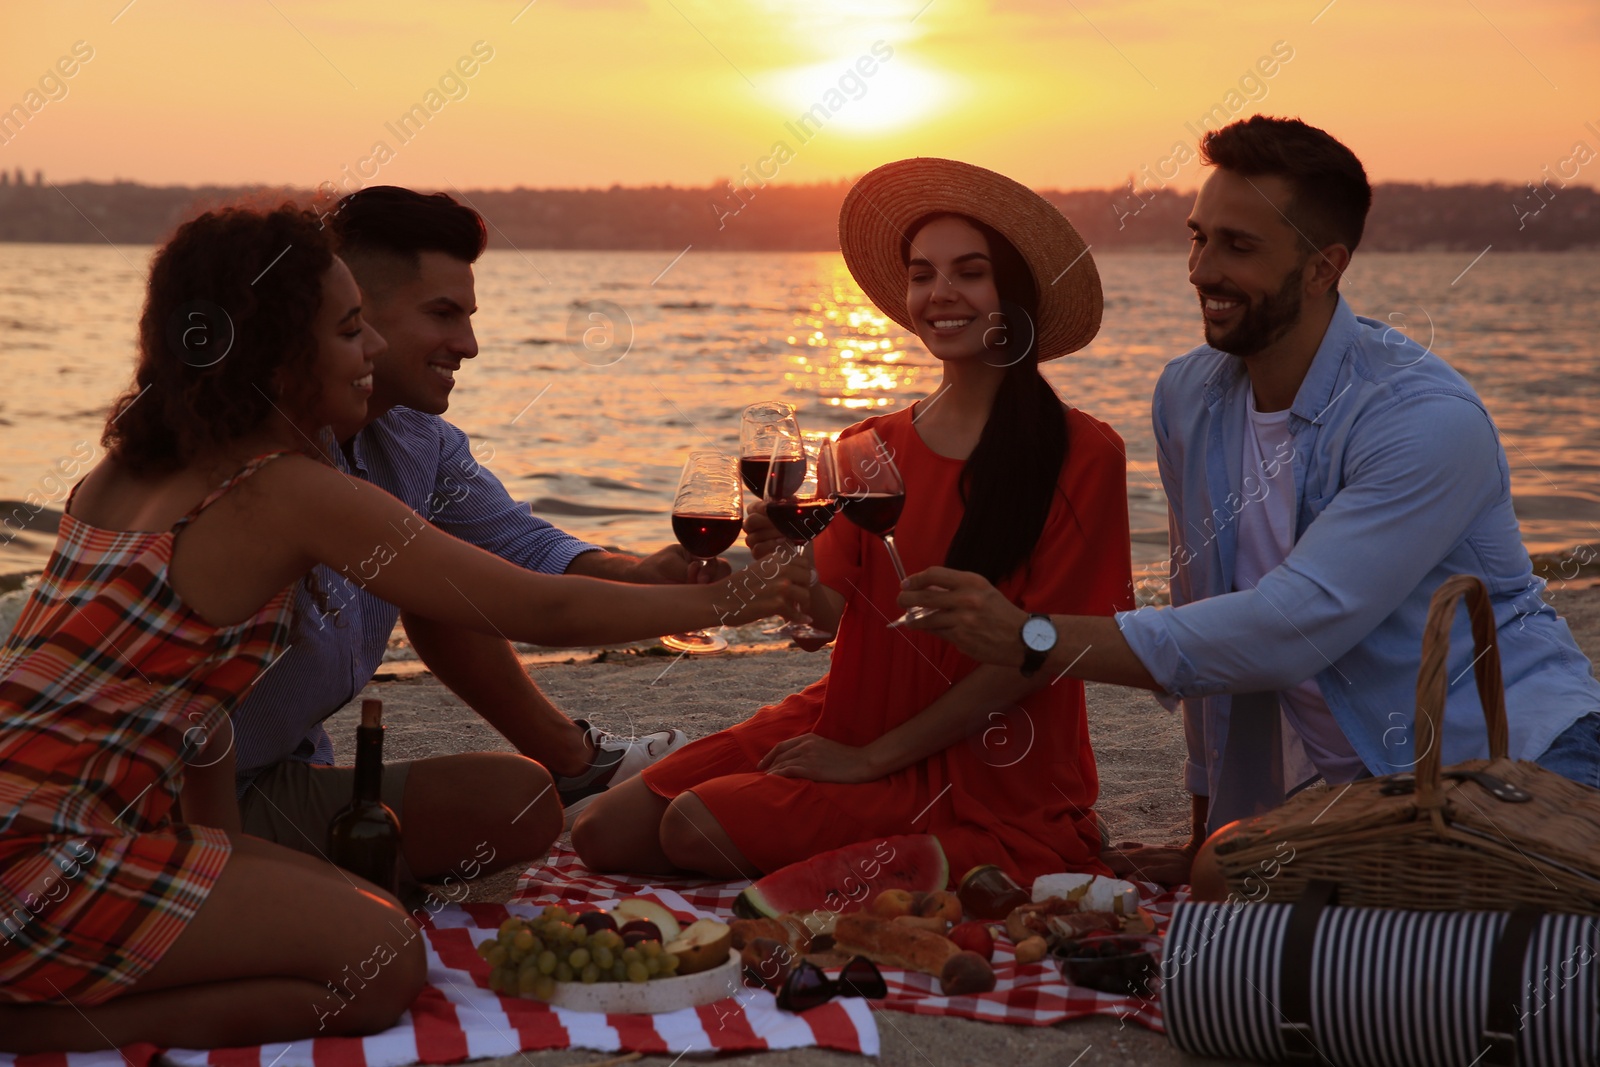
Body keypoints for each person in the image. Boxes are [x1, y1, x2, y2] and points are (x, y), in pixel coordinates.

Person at [0, 204, 807, 1050]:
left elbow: (184, 715)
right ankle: (39, 1025)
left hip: (97, 813)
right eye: (351, 332)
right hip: (46, 852)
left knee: (384, 907)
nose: (374, 352)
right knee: (383, 966)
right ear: (281, 355)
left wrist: (225, 854)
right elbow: (539, 609)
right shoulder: (286, 492)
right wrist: (752, 597)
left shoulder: (130, 467)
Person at [897, 116, 1600, 884]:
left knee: (1507, 964)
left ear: (1323, 267)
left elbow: (1284, 629)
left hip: (1526, 756)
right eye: (1199, 237)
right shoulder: (1190, 397)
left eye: (1239, 246)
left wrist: (1033, 636)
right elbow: (1210, 614)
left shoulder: (1421, 420)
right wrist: (1202, 827)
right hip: (1361, 794)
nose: (1201, 270)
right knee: (1222, 883)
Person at [572, 158, 1134, 885]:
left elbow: (1028, 663)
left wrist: (870, 761)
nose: (940, 294)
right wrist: (785, 565)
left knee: (692, 827)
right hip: (849, 711)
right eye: (922, 273)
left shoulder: (1085, 452)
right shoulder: (866, 448)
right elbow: (826, 621)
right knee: (603, 830)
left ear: (1015, 293)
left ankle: (985, 838)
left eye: (969, 271)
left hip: (990, 752)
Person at [230, 187, 718, 899]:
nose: (469, 344)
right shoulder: (270, 460)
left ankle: (568, 763)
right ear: (350, 310)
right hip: (185, 796)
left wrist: (643, 573)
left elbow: (518, 546)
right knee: (492, 821)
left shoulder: (412, 437)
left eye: (468, 315)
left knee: (512, 799)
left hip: (285, 770)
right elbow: (537, 608)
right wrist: (737, 602)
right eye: (442, 314)